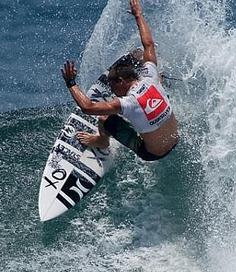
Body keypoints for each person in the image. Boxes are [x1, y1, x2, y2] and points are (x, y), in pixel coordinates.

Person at [61, 0, 179, 161]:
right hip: (175, 139)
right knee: (158, 75)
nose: (111, 90)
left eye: (112, 85)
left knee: (105, 119)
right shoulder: (150, 77)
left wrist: (71, 83)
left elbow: (87, 107)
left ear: (122, 81)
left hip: (152, 153)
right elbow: (149, 45)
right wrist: (138, 15)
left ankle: (101, 141)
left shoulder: (128, 103)